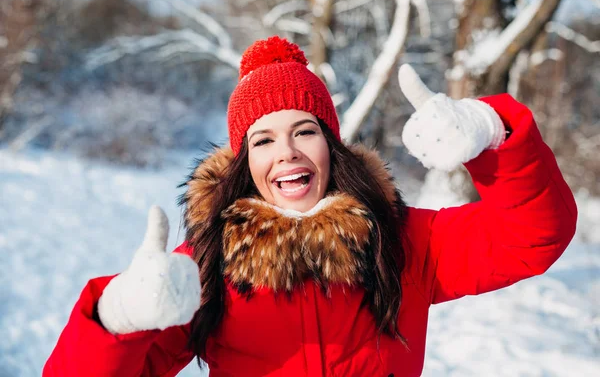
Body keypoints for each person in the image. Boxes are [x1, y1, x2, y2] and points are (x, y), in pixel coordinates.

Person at [43, 36, 577, 377]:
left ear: (332, 145)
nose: (288, 153)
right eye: (264, 140)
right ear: (243, 162)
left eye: (305, 131)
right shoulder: (206, 266)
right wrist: (115, 319)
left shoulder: (401, 241)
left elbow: (532, 236)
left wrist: (491, 132)